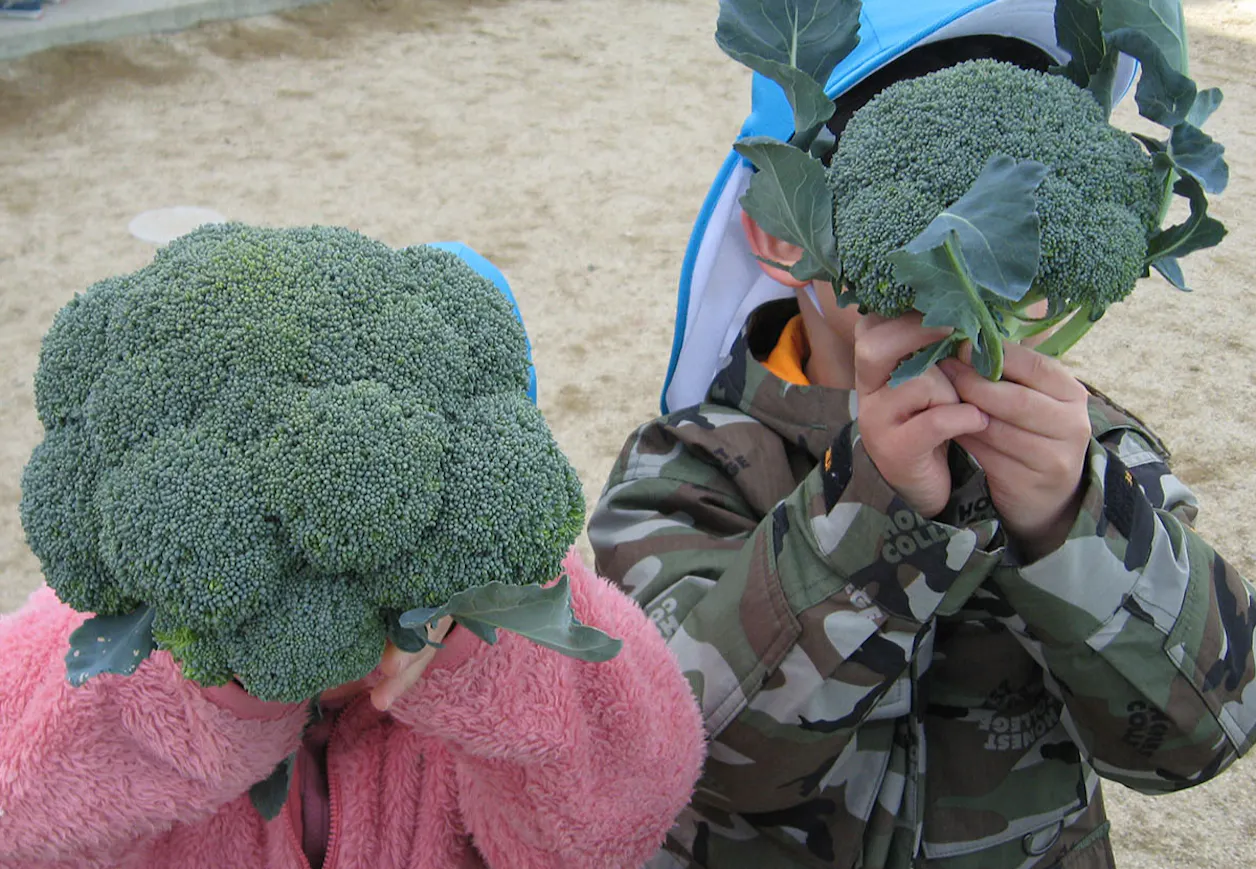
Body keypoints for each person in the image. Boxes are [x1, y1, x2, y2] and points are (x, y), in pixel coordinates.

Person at [587, 3, 1256, 868]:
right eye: (878, 161)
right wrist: (870, 506)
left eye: (1015, 181)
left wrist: (1070, 520)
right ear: (775, 227)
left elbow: (1197, 737)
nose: (969, 227)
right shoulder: (689, 465)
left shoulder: (1089, 456)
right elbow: (682, 758)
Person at [0, 244, 705, 869]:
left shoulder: (495, 615)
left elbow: (625, 813)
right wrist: (205, 693)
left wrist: (484, 651)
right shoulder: (120, 611)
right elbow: (20, 809)